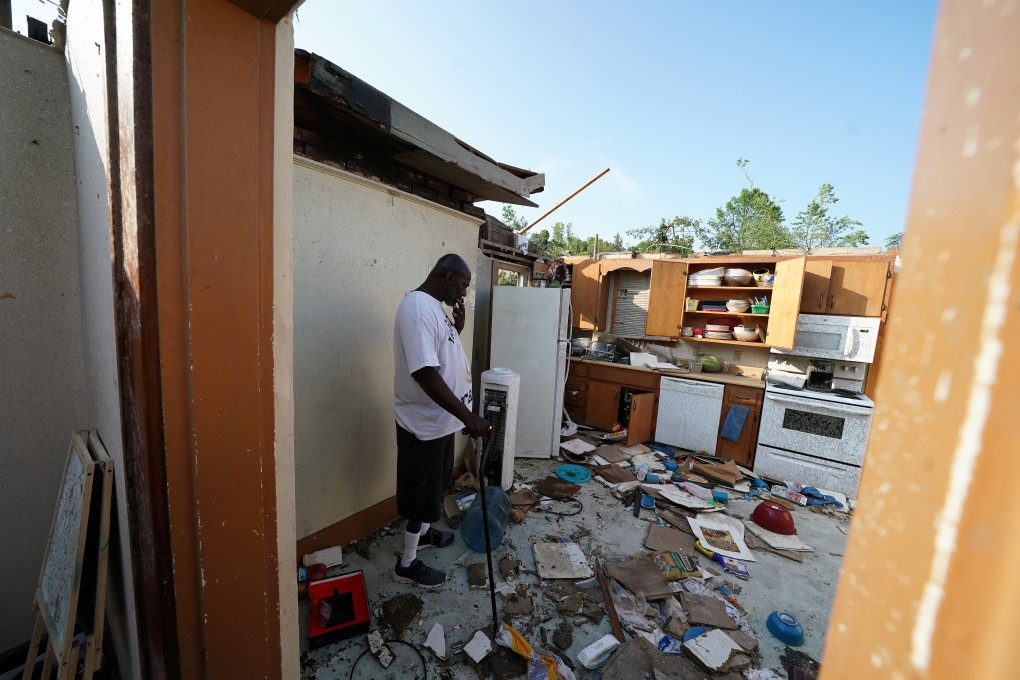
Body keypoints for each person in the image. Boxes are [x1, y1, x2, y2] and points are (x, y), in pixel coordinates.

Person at [391, 253, 490, 588]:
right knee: (421, 498)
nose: (463, 293)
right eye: (462, 284)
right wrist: (468, 416)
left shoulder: (434, 309)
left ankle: (422, 534)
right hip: (424, 426)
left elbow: (438, 356)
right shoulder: (418, 308)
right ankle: (406, 564)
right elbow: (424, 373)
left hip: (440, 423)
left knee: (431, 492)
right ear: (448, 277)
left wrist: (457, 330)